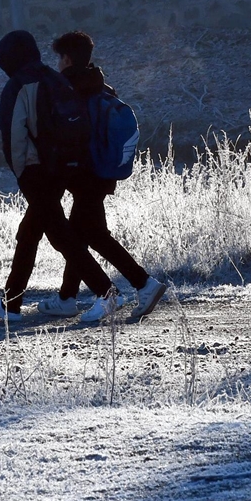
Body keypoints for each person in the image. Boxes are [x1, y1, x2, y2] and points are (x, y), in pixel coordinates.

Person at [0, 30, 123, 324]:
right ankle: (12, 303)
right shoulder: (52, 78)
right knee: (30, 233)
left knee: (61, 237)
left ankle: (108, 292)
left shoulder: (18, 86)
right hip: (62, 168)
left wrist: (22, 175)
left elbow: (14, 138)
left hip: (36, 172)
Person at [36, 30, 167, 320]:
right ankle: (67, 298)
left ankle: (143, 284)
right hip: (102, 172)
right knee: (80, 235)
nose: (57, 64)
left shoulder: (71, 89)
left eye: (59, 58)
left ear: (67, 59)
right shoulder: (100, 85)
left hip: (85, 175)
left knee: (91, 235)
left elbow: (67, 137)